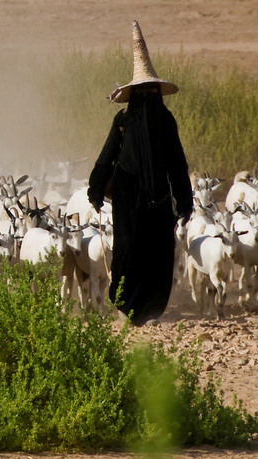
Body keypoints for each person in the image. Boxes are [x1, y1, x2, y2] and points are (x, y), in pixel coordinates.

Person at [87, 20, 193, 326]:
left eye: (149, 91)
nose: (147, 97)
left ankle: (142, 309)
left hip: (150, 198)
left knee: (146, 252)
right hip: (138, 197)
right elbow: (107, 158)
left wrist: (184, 203)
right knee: (139, 252)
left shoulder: (152, 120)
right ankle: (133, 308)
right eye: (144, 92)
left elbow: (176, 163)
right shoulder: (135, 120)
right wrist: (95, 191)